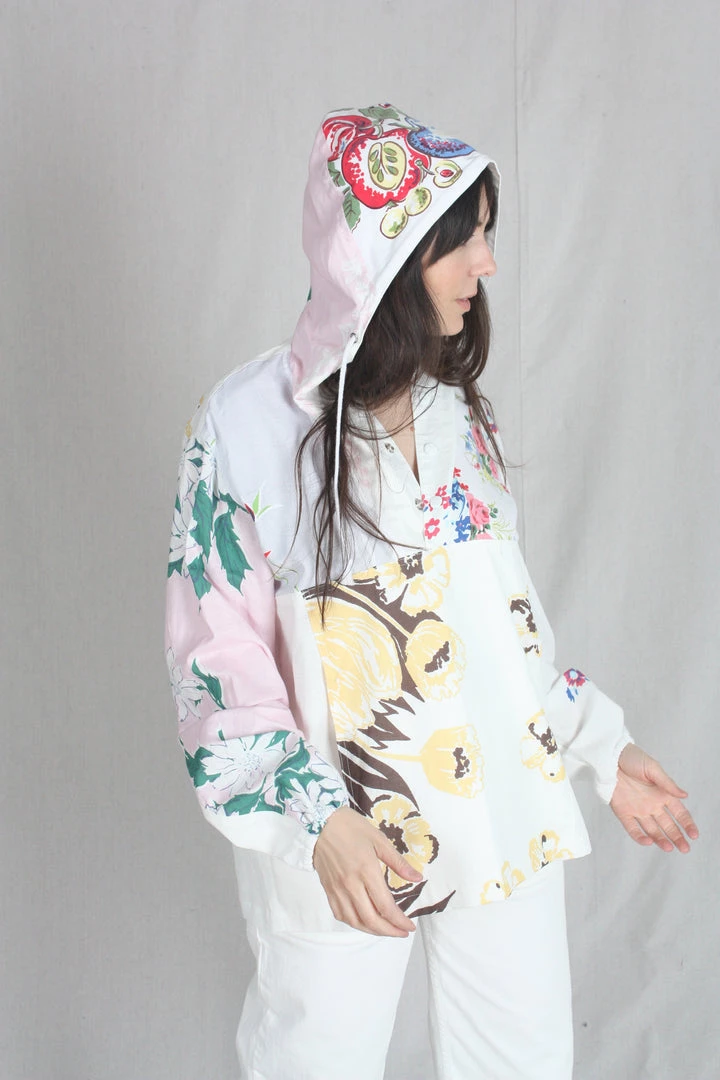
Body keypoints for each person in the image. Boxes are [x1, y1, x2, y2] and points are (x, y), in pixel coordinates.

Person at [165, 103, 698, 1080]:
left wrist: (601, 747)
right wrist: (317, 822)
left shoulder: (457, 417)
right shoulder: (247, 425)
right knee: (315, 1063)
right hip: (346, 835)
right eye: (466, 238)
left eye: (488, 234)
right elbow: (220, 661)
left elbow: (504, 633)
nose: (487, 263)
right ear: (388, 253)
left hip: (502, 811)